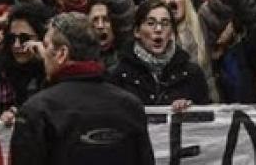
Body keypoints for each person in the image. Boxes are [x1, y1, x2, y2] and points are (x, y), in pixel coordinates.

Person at [10, 12, 155, 165]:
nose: (43, 54)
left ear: (62, 54)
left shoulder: (37, 111)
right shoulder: (131, 106)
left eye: (46, 46)